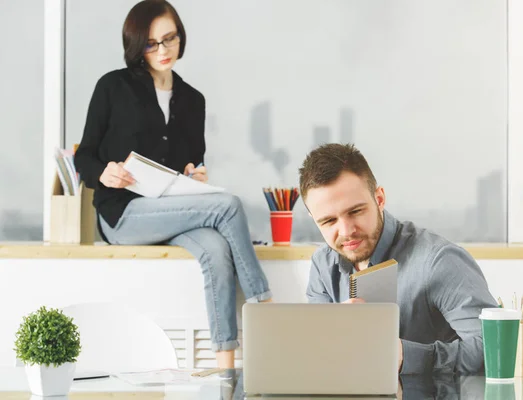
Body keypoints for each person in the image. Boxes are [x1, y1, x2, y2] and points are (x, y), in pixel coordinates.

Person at [74, 0, 271, 368]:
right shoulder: (112, 86)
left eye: (170, 39)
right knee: (227, 205)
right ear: (137, 45)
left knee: (215, 249)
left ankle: (225, 371)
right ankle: (267, 306)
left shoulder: (193, 100)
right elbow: (84, 155)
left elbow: (192, 161)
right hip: (123, 215)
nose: (163, 50)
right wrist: (104, 172)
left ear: (181, 37)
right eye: (151, 43)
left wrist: (197, 175)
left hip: (173, 211)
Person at [298, 143, 497, 374]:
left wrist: (405, 355)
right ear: (314, 219)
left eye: (355, 211)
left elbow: (492, 351)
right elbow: (322, 354)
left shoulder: (439, 260)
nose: (346, 231)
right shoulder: (323, 264)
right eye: (329, 221)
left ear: (379, 199)